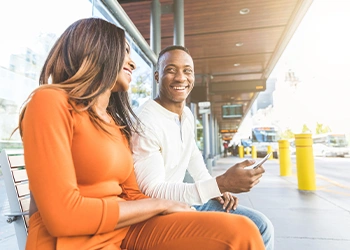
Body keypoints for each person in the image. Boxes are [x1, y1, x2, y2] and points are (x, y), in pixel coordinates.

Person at [17, 18, 265, 250]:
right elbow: (63, 217)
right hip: (74, 241)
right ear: (97, 51)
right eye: (124, 52)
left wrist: (185, 210)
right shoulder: (50, 102)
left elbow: (133, 193)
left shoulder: (113, 122)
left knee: (241, 231)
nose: (133, 63)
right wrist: (164, 203)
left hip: (124, 229)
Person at [131, 45, 274, 250]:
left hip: (182, 201)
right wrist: (220, 183)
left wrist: (215, 188)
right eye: (171, 70)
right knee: (245, 230)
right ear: (157, 76)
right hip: (157, 212)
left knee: (261, 225)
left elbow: (192, 155)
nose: (181, 77)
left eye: (187, 70)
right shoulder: (145, 120)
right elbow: (153, 190)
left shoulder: (186, 115)